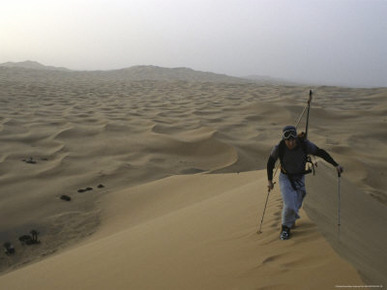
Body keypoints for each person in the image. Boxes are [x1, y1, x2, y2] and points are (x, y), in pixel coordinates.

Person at [267, 125, 343, 240]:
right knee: (289, 205)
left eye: (293, 140)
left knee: (296, 204)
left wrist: (335, 165)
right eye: (288, 140)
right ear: (284, 139)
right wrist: (269, 180)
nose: (291, 143)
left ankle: (290, 221)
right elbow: (270, 162)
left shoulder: (304, 144)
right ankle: (285, 229)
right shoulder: (280, 147)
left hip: (300, 177)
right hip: (285, 177)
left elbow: (320, 152)